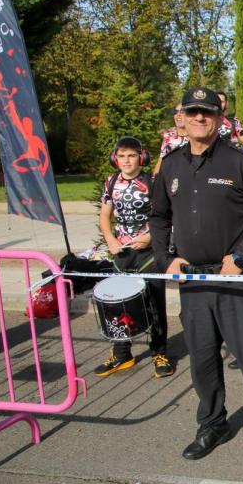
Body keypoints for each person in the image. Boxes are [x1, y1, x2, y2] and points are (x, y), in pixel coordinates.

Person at [149, 87, 243, 464]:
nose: (200, 118)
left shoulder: (241, 161)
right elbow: (158, 217)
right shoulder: (171, 165)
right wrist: (165, 258)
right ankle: (213, 423)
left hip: (237, 279)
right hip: (194, 281)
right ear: (182, 116)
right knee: (202, 360)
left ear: (220, 118)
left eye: (208, 112)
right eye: (194, 112)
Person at [95, 136, 174, 378]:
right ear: (115, 159)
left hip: (149, 253)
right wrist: (110, 239)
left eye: (131, 155)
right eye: (121, 156)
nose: (126, 160)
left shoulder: (152, 181)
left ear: (141, 157)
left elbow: (167, 216)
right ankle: (121, 353)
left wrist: (150, 237)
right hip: (123, 254)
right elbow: (105, 215)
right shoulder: (111, 182)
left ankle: (159, 352)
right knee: (117, 304)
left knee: (154, 303)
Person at [154, 103, 187, 176]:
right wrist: (154, 181)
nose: (178, 114)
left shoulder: (197, 136)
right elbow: (161, 160)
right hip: (170, 178)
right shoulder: (168, 136)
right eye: (175, 112)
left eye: (182, 111)